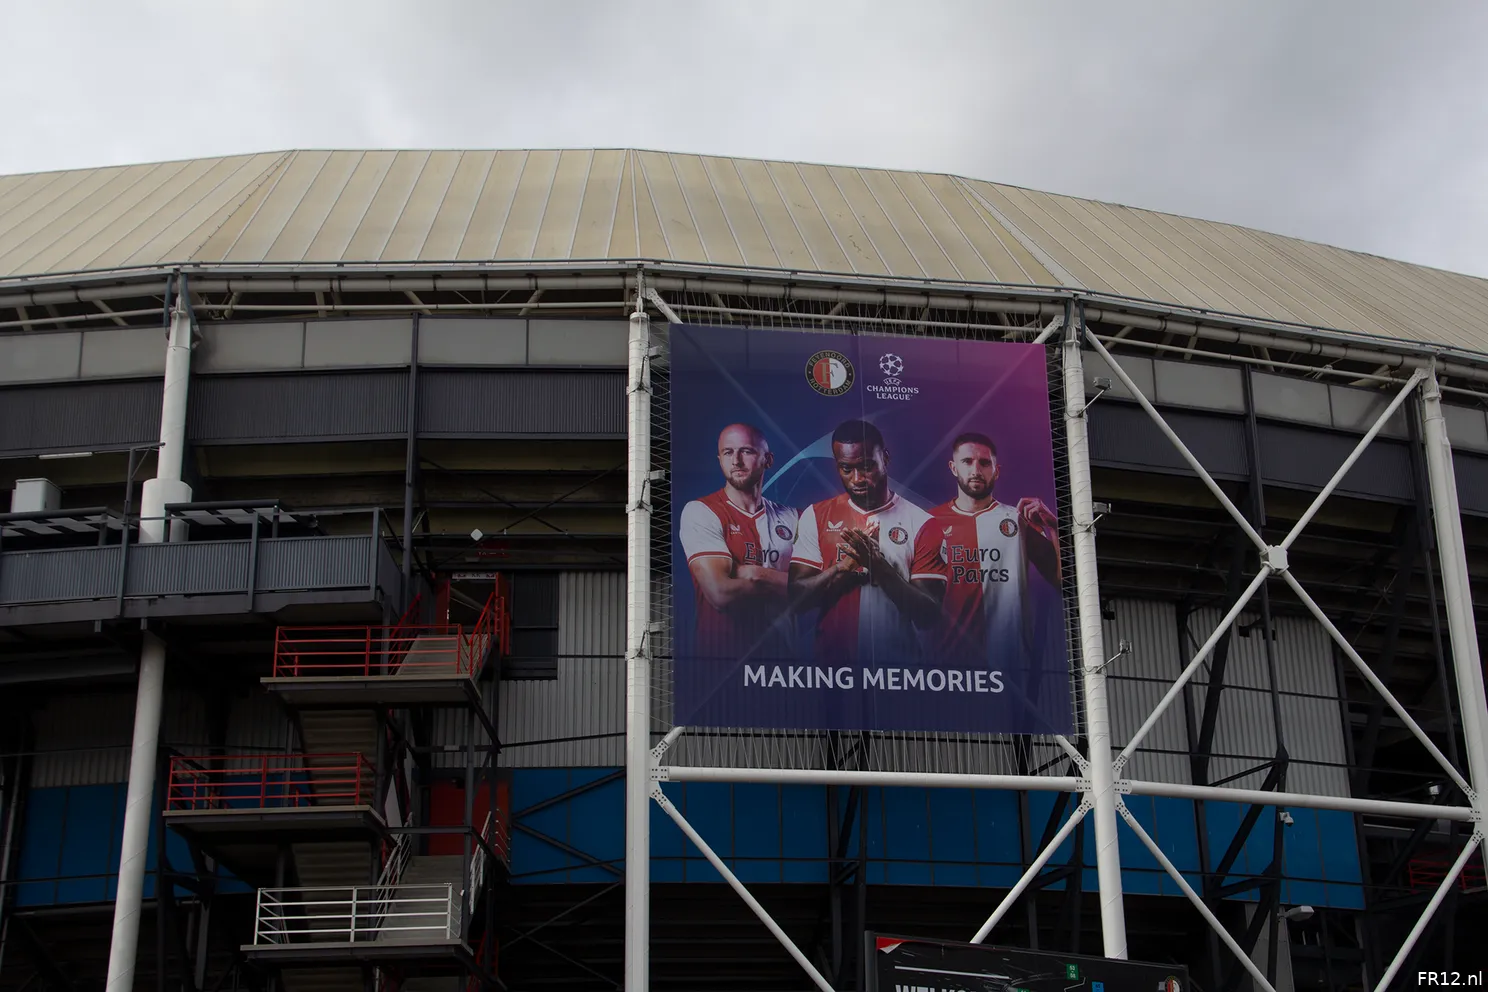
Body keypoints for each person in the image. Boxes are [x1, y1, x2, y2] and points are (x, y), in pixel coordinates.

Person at [789, 420, 943, 665]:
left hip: (898, 673)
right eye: (846, 469)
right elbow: (796, 601)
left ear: (886, 459)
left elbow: (928, 616)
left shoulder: (923, 523)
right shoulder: (816, 516)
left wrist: (878, 566)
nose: (857, 478)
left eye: (867, 466)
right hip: (832, 671)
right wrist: (840, 569)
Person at [914, 431, 1060, 666]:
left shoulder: (1017, 520)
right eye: (967, 461)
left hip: (1009, 662)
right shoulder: (927, 522)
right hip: (943, 665)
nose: (976, 470)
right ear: (953, 468)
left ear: (996, 470)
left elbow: (1063, 580)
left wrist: (1053, 528)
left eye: (984, 463)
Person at [678, 423, 799, 660]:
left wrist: (754, 574)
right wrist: (789, 584)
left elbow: (820, 587)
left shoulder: (794, 518)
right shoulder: (701, 511)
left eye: (747, 451)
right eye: (728, 452)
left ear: (768, 459)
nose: (736, 461)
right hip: (722, 666)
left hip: (785, 667)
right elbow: (720, 592)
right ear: (720, 459)